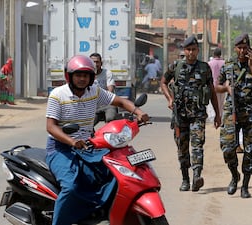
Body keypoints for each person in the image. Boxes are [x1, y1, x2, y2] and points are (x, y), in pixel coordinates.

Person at [46, 55, 149, 225]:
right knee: (71, 187)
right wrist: (71, 141)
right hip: (60, 148)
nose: (81, 79)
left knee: (117, 175)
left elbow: (120, 102)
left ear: (91, 77)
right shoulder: (58, 95)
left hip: (87, 146)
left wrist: (138, 112)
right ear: (69, 76)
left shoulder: (94, 91)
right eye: (78, 75)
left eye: (85, 75)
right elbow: (51, 127)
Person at [160, 35, 221, 192]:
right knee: (182, 148)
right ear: (184, 50)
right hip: (180, 115)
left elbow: (212, 91)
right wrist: (169, 99)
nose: (191, 53)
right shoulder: (176, 66)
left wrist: (217, 114)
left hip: (198, 115)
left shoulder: (204, 68)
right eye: (188, 50)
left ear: (198, 50)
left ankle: (196, 176)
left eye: (194, 49)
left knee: (197, 145)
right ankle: (185, 179)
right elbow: (163, 82)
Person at [215, 33, 252, 198]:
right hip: (232, 111)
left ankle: (245, 185)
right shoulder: (228, 65)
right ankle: (234, 175)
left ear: (250, 48)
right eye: (240, 48)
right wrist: (226, 89)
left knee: (250, 150)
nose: (242, 50)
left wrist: (251, 67)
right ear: (235, 48)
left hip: (250, 112)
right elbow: (217, 86)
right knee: (228, 148)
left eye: (245, 47)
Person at [90, 53, 118, 123]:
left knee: (110, 119)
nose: (95, 64)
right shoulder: (86, 75)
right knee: (88, 123)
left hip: (107, 103)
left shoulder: (107, 73)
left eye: (97, 62)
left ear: (101, 63)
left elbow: (110, 91)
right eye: (93, 62)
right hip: (93, 105)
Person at [207, 48, 225, 122]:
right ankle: (220, 116)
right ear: (220, 54)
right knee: (221, 102)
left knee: (212, 101)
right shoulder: (224, 63)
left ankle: (212, 116)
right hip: (222, 86)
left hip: (213, 86)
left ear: (214, 54)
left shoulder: (210, 63)